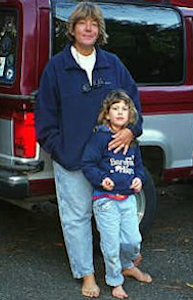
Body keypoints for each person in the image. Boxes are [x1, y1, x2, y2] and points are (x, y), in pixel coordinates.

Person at [35, 2, 142, 298]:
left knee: (121, 218)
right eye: (82, 23)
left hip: (112, 162)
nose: (88, 28)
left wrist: (132, 130)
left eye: (94, 23)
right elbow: (44, 117)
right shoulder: (57, 67)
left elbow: (133, 103)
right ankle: (87, 275)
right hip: (72, 161)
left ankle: (124, 264)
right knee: (77, 219)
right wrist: (60, 149)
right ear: (72, 29)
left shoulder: (113, 64)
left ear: (99, 30)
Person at [81, 90, 152, 299]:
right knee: (111, 246)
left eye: (124, 109)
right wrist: (101, 179)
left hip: (128, 199)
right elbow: (88, 164)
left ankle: (128, 265)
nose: (120, 112)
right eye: (115, 108)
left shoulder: (132, 142)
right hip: (105, 201)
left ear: (130, 114)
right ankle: (115, 281)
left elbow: (139, 167)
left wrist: (140, 179)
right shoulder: (100, 138)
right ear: (107, 114)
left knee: (132, 240)